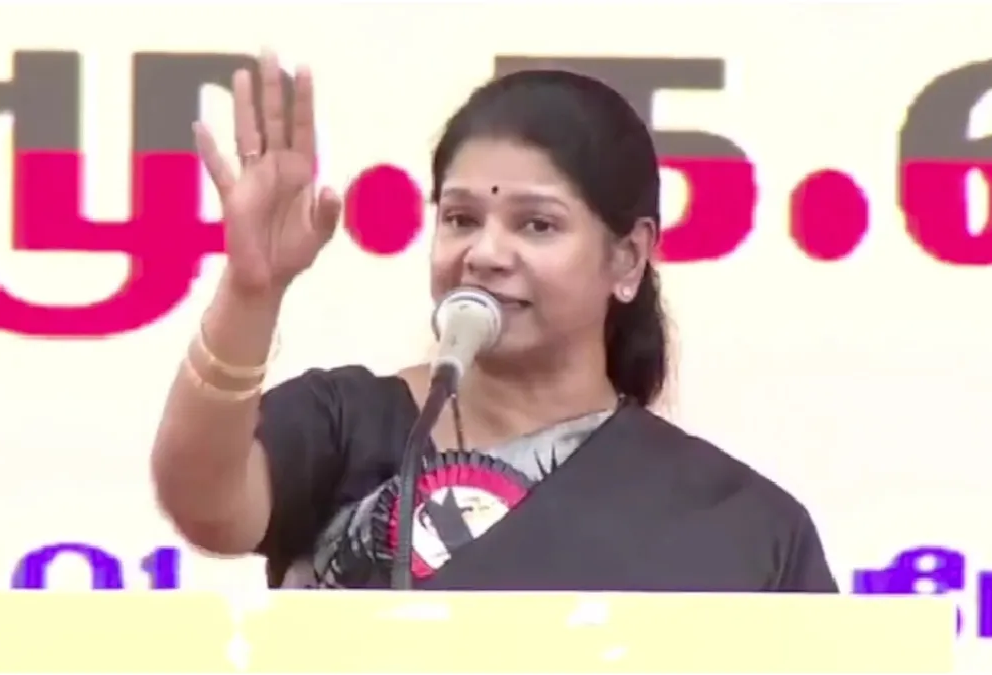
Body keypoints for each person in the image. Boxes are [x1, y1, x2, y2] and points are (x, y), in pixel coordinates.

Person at [150, 50, 839, 592]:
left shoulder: (742, 528)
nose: (484, 253)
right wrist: (252, 289)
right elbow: (204, 504)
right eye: (460, 218)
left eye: (537, 225)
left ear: (628, 257)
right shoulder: (347, 424)